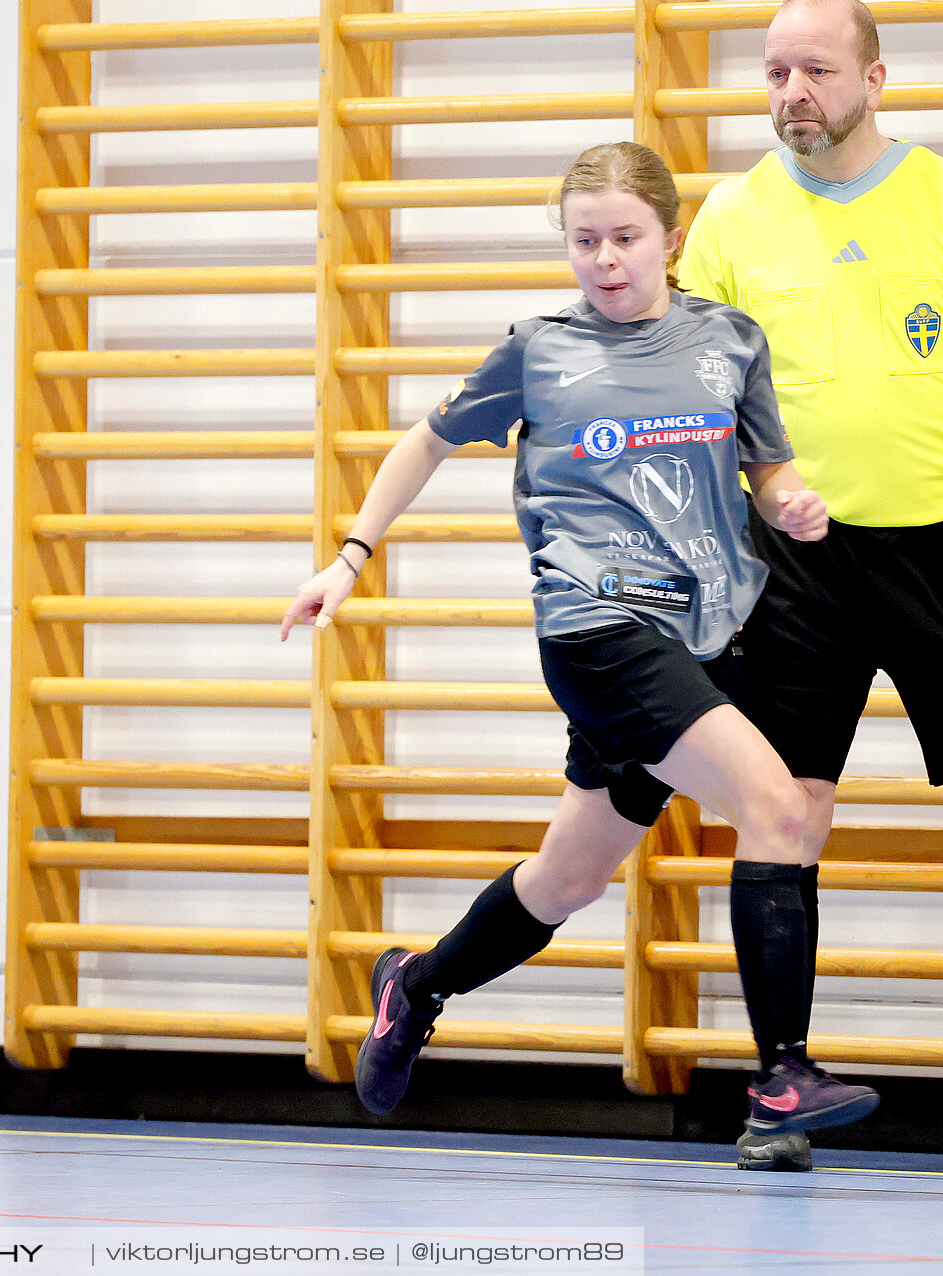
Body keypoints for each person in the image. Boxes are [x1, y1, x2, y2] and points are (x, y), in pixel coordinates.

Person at [279, 140, 881, 1141]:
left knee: (568, 878)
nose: (604, 259)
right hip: (598, 627)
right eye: (584, 241)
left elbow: (767, 470)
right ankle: (781, 1080)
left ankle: (415, 985)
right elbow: (422, 442)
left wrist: (793, 502)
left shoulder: (729, 340)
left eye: (625, 239)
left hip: (709, 634)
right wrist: (346, 558)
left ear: (671, 241)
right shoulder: (538, 349)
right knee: (781, 810)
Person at [678, 0, 942, 1173]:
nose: (791, 89)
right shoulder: (732, 215)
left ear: (875, 78)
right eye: (775, 69)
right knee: (783, 814)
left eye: (816, 69)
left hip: (936, 546)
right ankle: (780, 1080)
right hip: (792, 563)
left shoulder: (935, 193)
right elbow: (685, 392)